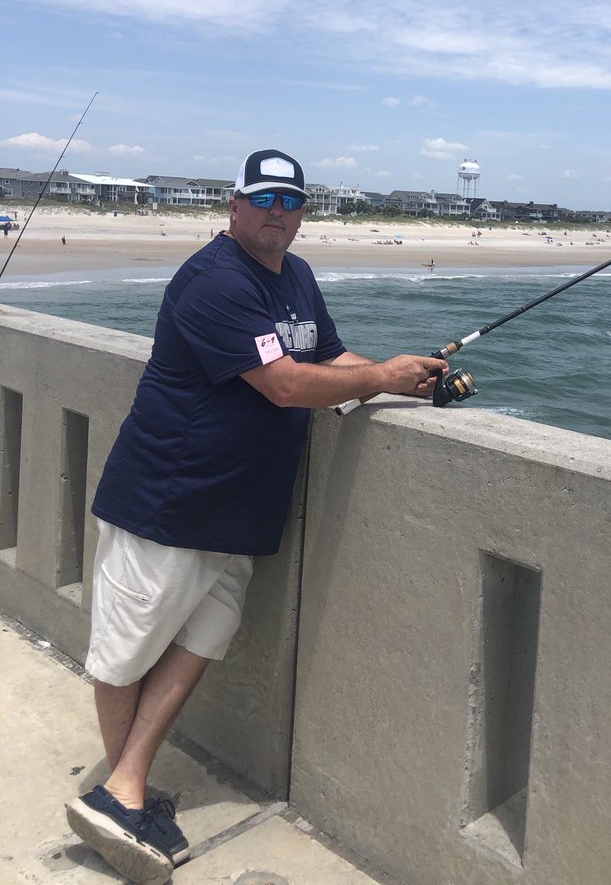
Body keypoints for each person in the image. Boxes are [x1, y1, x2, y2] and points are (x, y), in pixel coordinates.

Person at [65, 149, 447, 884]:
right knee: (127, 648)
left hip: (239, 510)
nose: (278, 212)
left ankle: (123, 789)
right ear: (234, 207)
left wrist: (410, 386)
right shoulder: (213, 280)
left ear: (304, 213)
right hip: (170, 501)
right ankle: (124, 791)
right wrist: (381, 376)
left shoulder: (296, 277)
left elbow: (330, 358)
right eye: (264, 199)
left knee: (200, 641)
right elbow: (280, 385)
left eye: (291, 202)